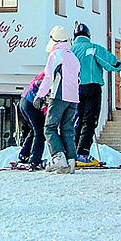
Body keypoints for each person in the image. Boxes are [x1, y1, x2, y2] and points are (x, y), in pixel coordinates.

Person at [71, 22, 121, 165]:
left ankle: (72, 152)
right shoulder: (93, 48)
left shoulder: (70, 50)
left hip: (73, 88)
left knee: (76, 119)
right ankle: (83, 153)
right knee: (90, 120)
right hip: (92, 86)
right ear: (88, 35)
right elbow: (111, 64)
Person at [37, 25, 80, 173]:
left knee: (50, 128)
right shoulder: (73, 56)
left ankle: (58, 158)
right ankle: (71, 162)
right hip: (73, 97)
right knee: (67, 129)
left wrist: (40, 95)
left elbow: (49, 77)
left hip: (59, 95)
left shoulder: (56, 55)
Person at [17, 70, 47, 170]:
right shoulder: (52, 74)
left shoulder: (46, 72)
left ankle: (24, 154)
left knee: (34, 129)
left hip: (25, 100)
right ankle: (35, 160)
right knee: (40, 132)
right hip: (31, 103)